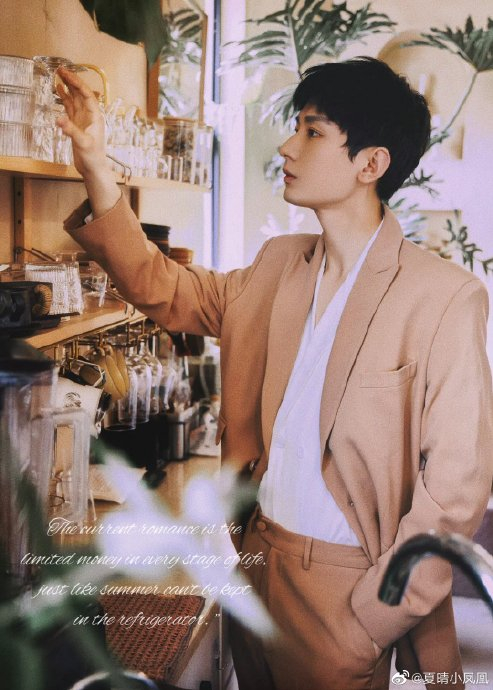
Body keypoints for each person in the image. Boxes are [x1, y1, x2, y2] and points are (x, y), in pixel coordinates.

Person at [58, 57, 493, 690]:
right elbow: (162, 287)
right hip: (256, 564)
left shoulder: (444, 296)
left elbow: (455, 491)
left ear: (371, 164)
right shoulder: (278, 264)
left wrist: (370, 622)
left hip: (347, 594)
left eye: (313, 132)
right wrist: (95, 163)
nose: (288, 146)